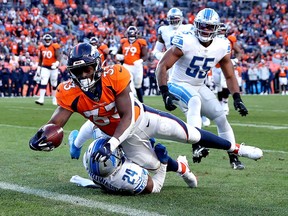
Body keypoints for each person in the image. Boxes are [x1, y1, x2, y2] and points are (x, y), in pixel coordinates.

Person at [29, 43, 262, 188]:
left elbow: (128, 116)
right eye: (78, 71)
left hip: (143, 119)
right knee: (154, 166)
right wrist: (42, 134)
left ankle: (237, 149)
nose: (84, 75)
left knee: (191, 134)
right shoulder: (70, 92)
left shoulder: (115, 75)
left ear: (97, 66)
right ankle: (181, 167)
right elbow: (56, 122)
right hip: (125, 138)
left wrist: (111, 143)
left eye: (87, 69)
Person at [155, 8, 250, 170]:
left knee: (220, 116)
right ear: (196, 25)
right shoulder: (186, 40)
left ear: (216, 28)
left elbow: (229, 75)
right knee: (194, 101)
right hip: (177, 83)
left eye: (209, 27)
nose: (205, 30)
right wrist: (164, 92)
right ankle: (196, 145)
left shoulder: (222, 45)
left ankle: (233, 156)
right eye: (202, 26)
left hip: (199, 85)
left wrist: (237, 98)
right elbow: (162, 66)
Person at [152, 7, 211, 127]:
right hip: (172, 63)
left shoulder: (189, 27)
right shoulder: (163, 30)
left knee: (196, 88)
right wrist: (163, 57)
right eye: (172, 19)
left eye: (176, 19)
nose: (174, 21)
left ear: (181, 18)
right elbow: (156, 51)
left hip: (187, 62)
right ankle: (194, 118)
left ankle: (200, 115)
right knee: (182, 93)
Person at [70, 137, 173, 195]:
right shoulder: (130, 177)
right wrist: (163, 163)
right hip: (120, 177)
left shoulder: (88, 161)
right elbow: (156, 186)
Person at [212, 23, 243, 116]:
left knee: (223, 84)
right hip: (215, 66)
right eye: (220, 30)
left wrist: (236, 60)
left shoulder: (230, 40)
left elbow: (239, 51)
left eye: (223, 30)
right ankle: (221, 104)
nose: (221, 32)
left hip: (225, 65)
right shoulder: (212, 40)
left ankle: (225, 104)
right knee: (218, 86)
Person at [116, 26, 148, 103]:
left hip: (137, 67)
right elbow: (118, 52)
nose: (131, 37)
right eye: (130, 35)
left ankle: (141, 102)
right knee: (129, 84)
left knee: (138, 85)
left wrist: (140, 60)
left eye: (133, 35)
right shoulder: (124, 42)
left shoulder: (140, 42)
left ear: (136, 34)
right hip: (126, 66)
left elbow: (145, 55)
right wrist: (119, 56)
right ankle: (131, 102)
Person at [34, 33, 61, 105]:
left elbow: (59, 55)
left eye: (49, 39)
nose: (47, 40)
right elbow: (40, 59)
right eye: (46, 39)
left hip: (53, 67)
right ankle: (41, 99)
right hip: (45, 67)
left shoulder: (54, 46)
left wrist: (57, 63)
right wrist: (38, 68)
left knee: (54, 83)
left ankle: (54, 99)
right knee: (43, 82)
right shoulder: (41, 47)